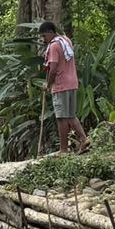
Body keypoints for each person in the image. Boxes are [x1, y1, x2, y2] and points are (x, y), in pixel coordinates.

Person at [38, 21, 90, 154]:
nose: (44, 39)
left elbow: (53, 67)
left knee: (61, 117)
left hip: (61, 84)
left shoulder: (54, 46)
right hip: (72, 82)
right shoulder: (65, 40)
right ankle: (84, 139)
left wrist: (48, 85)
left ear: (50, 32)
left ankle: (63, 149)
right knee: (71, 115)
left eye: (44, 36)